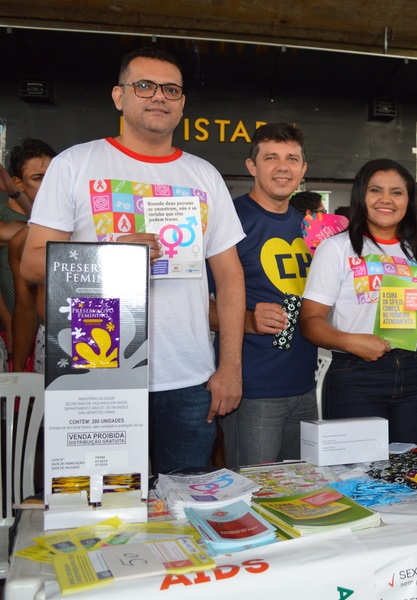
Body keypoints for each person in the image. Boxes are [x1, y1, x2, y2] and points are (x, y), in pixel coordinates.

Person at [21, 46, 246, 474]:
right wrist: (114, 256)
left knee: (184, 514)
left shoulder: (204, 175)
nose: (158, 96)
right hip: (96, 367)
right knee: (98, 511)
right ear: (119, 96)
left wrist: (230, 366)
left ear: (182, 104)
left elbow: (230, 276)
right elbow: (32, 264)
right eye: (144, 85)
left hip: (189, 376)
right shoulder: (75, 164)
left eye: (171, 89)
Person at [300, 158, 417, 444]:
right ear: (361, 196)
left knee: (409, 471)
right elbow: (309, 322)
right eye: (376, 190)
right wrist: (351, 342)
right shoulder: (337, 249)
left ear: (409, 201)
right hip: (356, 376)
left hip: (416, 373)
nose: (386, 199)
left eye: (397, 192)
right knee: (356, 472)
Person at [211, 123, 318, 468]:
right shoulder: (227, 219)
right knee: (253, 493)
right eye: (271, 157)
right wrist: (249, 321)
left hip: (305, 385)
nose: (282, 166)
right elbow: (195, 304)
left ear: (303, 169)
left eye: (292, 158)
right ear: (252, 166)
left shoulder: (309, 227)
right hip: (253, 388)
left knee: (300, 490)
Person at [6, 139, 57, 373]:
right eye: (38, 178)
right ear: (19, 184)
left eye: (53, 175)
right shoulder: (22, 241)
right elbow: (25, 310)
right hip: (49, 342)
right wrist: (17, 372)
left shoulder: (93, 226)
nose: (50, 185)